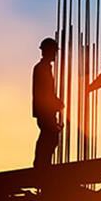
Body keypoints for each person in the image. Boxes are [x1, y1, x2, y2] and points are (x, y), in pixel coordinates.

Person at [32, 37, 64, 167]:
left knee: (51, 137)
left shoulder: (44, 68)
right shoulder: (41, 68)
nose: (55, 54)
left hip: (46, 110)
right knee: (49, 136)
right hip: (45, 110)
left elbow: (48, 91)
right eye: (54, 51)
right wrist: (56, 103)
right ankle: (41, 165)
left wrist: (56, 103)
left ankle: (43, 164)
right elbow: (44, 91)